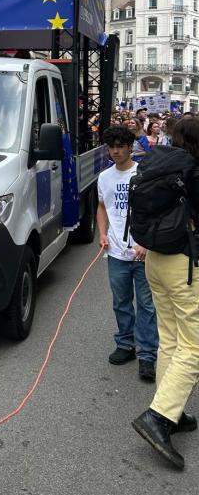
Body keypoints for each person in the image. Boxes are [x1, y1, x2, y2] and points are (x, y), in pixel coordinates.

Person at [132, 117, 199, 470]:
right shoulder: (193, 171)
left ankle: (172, 410)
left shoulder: (157, 161)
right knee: (194, 346)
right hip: (183, 265)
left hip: (155, 259)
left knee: (169, 339)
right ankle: (158, 417)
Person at [97, 126, 158, 381]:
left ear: (130, 146)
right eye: (111, 147)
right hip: (116, 252)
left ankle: (147, 355)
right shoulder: (104, 177)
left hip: (143, 252)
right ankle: (125, 344)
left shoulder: (143, 173)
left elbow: (156, 211)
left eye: (120, 146)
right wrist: (102, 233)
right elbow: (102, 206)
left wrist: (147, 243)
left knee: (146, 304)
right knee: (121, 301)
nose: (115, 151)